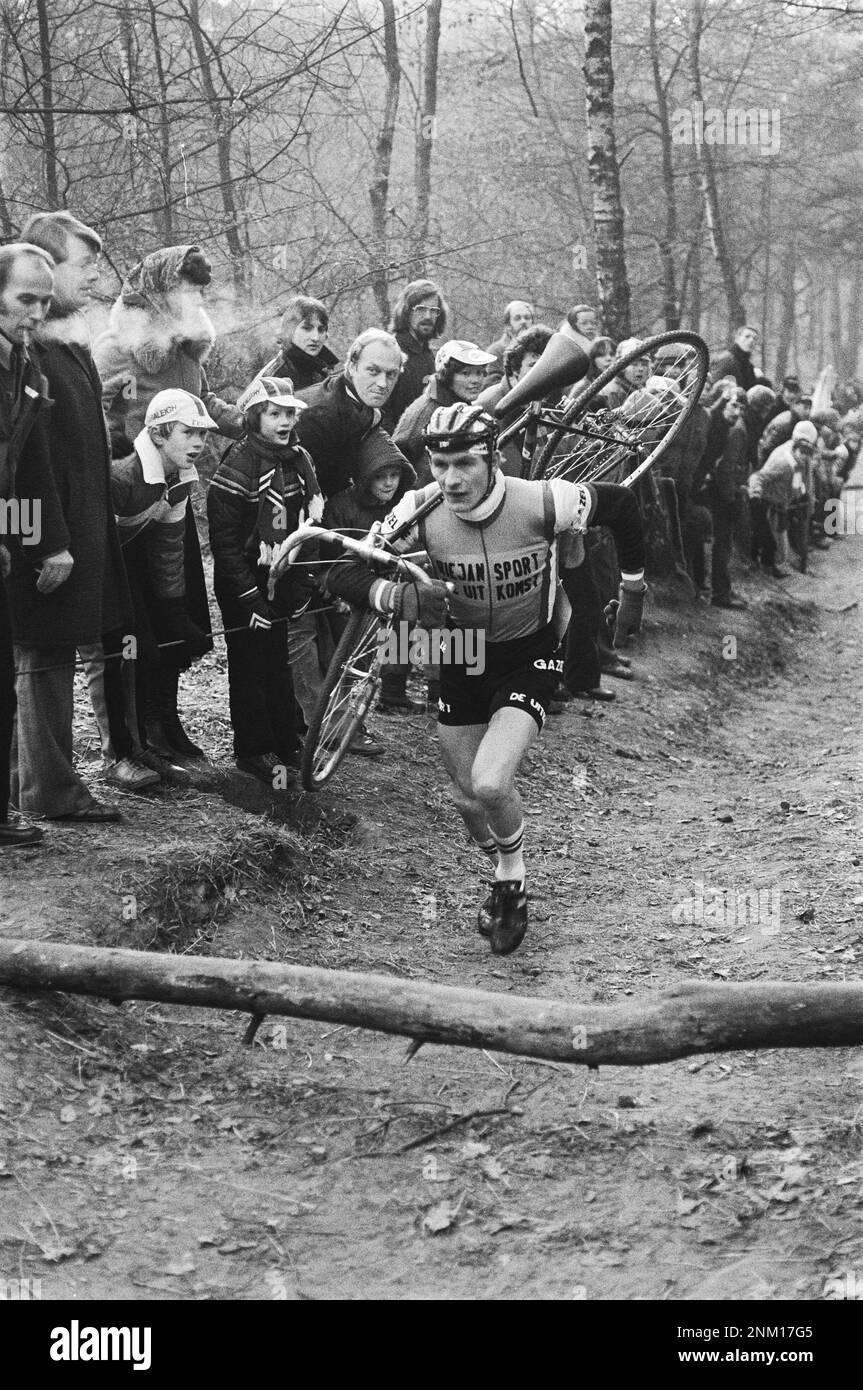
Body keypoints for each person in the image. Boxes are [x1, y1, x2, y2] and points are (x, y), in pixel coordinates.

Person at [320, 403, 646, 957]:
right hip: (460, 652)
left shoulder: (544, 499)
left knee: (492, 782)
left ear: (494, 457)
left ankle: (512, 883)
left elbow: (624, 504)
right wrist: (397, 595)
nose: (451, 479)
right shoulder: (418, 509)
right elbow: (340, 567)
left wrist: (634, 586)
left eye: (465, 463)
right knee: (468, 799)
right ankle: (503, 868)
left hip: (531, 652)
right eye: (440, 464)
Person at [94, 244, 243, 759]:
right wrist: (122, 467)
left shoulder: (186, 355)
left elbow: (205, 406)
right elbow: (96, 418)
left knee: (180, 620)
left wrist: (247, 418)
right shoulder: (115, 349)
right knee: (137, 631)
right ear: (157, 294)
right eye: (183, 291)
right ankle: (134, 736)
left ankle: (166, 719)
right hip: (129, 505)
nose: (192, 301)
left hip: (175, 499)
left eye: (197, 293)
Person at [8, 211, 132, 822]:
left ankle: (35, 783)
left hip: (74, 531)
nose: (90, 279)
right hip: (44, 539)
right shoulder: (28, 355)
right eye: (81, 266)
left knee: (50, 655)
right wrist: (44, 541)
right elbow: (25, 467)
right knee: (44, 657)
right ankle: (47, 788)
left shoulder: (62, 343)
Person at [208, 377, 323, 785]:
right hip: (245, 573)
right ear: (256, 416)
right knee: (249, 662)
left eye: (290, 413)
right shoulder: (237, 465)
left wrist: (301, 581)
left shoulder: (298, 459)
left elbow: (311, 522)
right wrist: (251, 599)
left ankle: (286, 738)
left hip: (284, 568)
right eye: (275, 413)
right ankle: (253, 748)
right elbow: (223, 544)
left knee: (277, 657)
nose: (284, 421)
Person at [105, 391, 215, 780]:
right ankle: (122, 752)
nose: (199, 443)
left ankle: (145, 745)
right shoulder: (122, 479)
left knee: (152, 646)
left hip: (129, 561)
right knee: (128, 651)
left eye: (203, 434)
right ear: (158, 435)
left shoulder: (181, 478)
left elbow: (167, 549)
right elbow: (97, 546)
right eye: (188, 433)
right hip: (102, 567)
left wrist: (174, 611)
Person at [0, 243, 69, 846]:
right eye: (25, 299)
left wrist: (44, 542)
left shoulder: (25, 364)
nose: (37, 313)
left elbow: (29, 465)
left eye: (45, 300)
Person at [322, 437, 418, 715]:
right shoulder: (341, 506)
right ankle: (343, 714)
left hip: (393, 585)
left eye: (395, 475)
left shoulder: (402, 506)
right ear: (365, 477)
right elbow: (330, 556)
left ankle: (393, 692)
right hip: (352, 592)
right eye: (381, 477)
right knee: (352, 657)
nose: (389, 483)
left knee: (406, 632)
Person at [393, 340, 496, 482]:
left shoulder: (462, 407)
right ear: (447, 375)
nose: (475, 380)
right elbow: (397, 456)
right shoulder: (428, 411)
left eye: (479, 373)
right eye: (466, 373)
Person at [696, 383, 750, 608]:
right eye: (733, 405)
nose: (736, 412)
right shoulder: (716, 424)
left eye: (741, 408)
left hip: (709, 488)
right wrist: (730, 498)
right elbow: (723, 467)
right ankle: (719, 593)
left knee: (713, 541)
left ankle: (705, 587)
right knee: (721, 542)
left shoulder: (723, 426)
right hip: (710, 491)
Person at [748, 420, 817, 575]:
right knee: (768, 541)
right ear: (796, 448)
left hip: (780, 503)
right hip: (764, 502)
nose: (804, 457)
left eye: (807, 454)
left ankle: (767, 567)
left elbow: (800, 483)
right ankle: (760, 568)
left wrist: (804, 495)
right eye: (802, 452)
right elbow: (759, 477)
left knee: (777, 544)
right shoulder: (783, 462)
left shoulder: (798, 460)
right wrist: (756, 493)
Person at [382, 279, 449, 431]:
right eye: (421, 309)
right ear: (406, 311)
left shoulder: (429, 356)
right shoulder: (391, 350)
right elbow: (381, 415)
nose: (428, 316)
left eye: (433, 310)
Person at [258, 294, 338, 392]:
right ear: (290, 331)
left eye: (321, 330)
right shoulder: (277, 377)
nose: (315, 337)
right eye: (307, 328)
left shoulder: (322, 366)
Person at [484, 301, 535, 385]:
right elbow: (491, 386)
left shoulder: (542, 348)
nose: (523, 322)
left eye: (527, 318)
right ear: (508, 324)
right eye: (517, 318)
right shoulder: (495, 351)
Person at [711, 326, 759, 391]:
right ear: (737, 338)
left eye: (755, 338)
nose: (751, 340)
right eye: (747, 336)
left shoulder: (749, 366)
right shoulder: (725, 360)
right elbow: (715, 388)